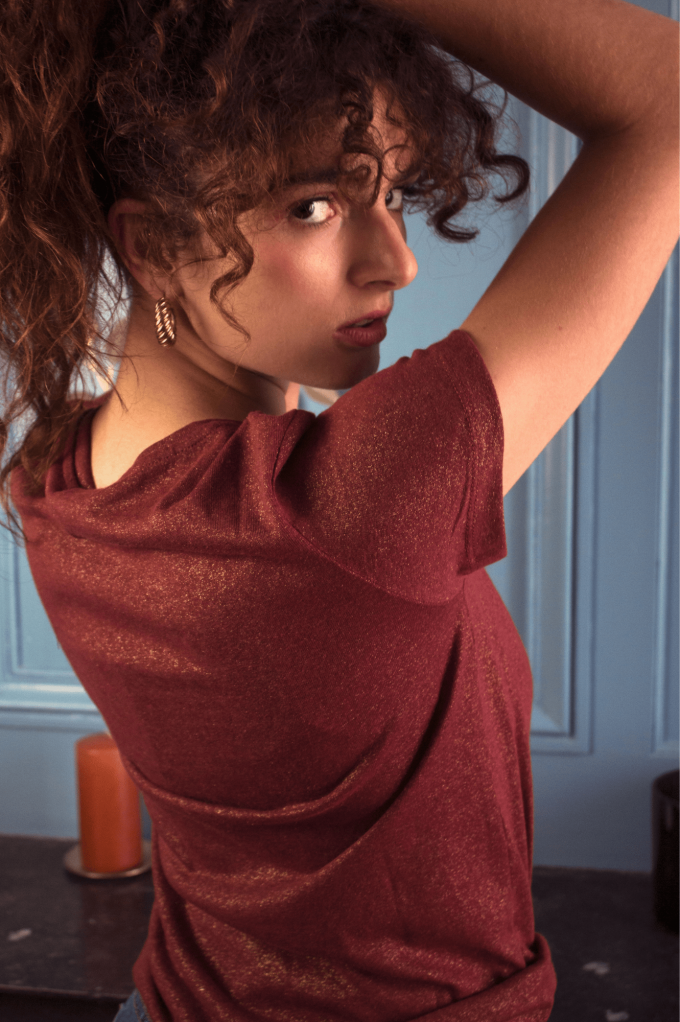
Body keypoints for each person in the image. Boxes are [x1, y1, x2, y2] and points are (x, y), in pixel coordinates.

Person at [1, 0, 677, 1018]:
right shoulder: (339, 512)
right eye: (313, 206)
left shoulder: (58, 478)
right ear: (150, 245)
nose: (396, 261)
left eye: (390, 193)